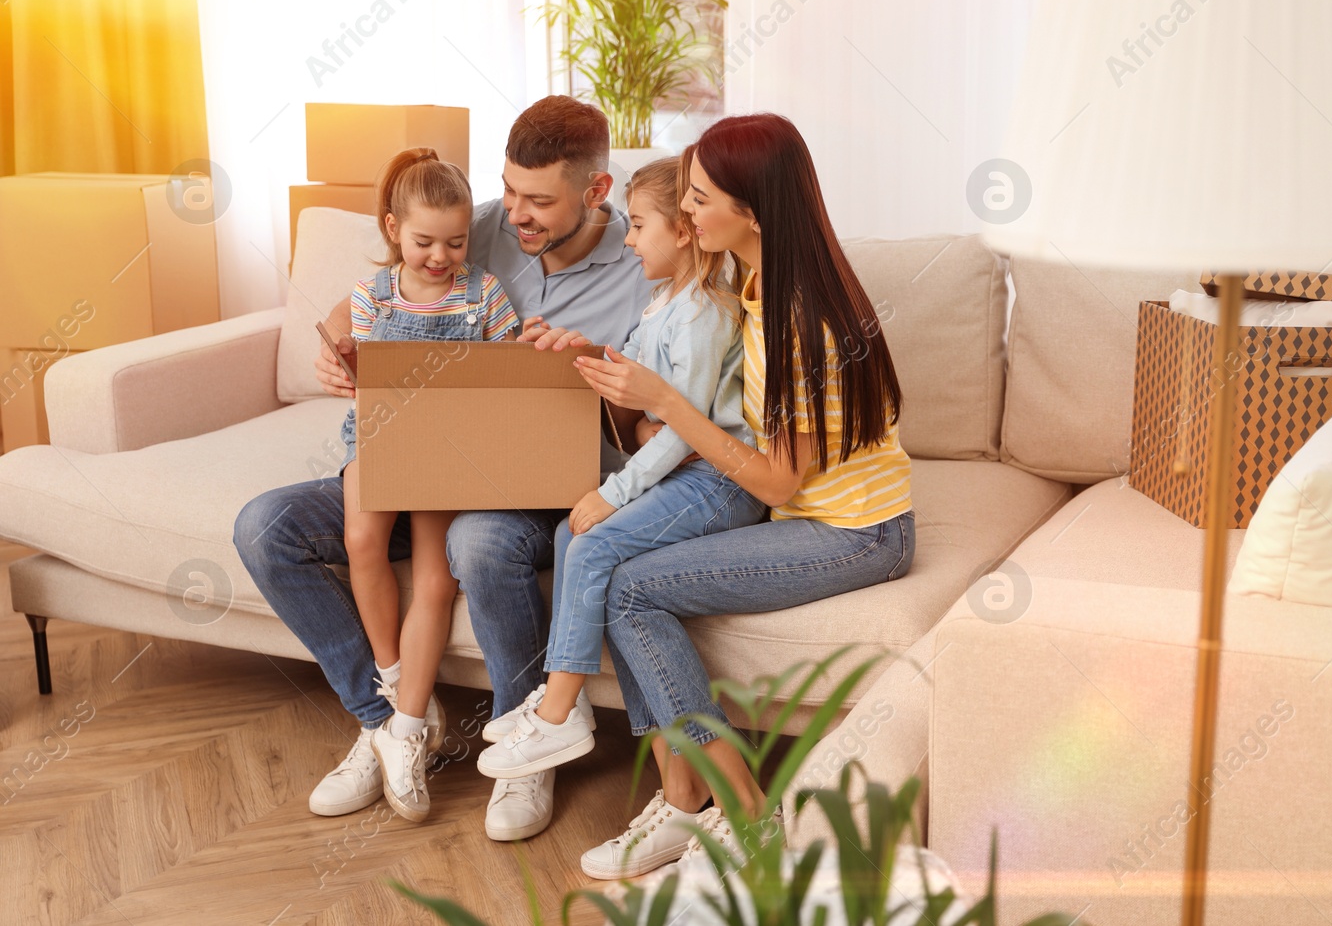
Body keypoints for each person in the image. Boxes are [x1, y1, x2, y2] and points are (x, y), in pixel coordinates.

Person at [233, 96, 652, 841]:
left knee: (477, 543)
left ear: (596, 192)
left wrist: (585, 362)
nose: (515, 214)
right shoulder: (474, 226)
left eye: (538, 200)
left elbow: (650, 420)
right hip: (414, 455)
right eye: (510, 189)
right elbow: (371, 297)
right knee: (265, 527)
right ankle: (390, 724)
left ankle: (527, 753)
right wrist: (335, 350)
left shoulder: (644, 267)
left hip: (536, 478)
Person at [565, 114, 917, 878]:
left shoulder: (802, 318)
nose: (685, 215)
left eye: (697, 200)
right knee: (615, 570)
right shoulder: (760, 280)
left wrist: (666, 399)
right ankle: (686, 801)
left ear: (750, 210)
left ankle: (743, 813)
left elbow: (774, 478)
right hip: (809, 513)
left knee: (627, 591)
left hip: (856, 531)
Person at [473, 152, 767, 829]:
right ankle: (678, 788)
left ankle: (559, 706)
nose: (627, 238)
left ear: (685, 232)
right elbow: (638, 388)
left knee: (591, 538)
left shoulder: (703, 314)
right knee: (569, 537)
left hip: (716, 480)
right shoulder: (665, 302)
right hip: (686, 475)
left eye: (638, 225)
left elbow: (684, 428)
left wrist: (615, 492)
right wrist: (587, 355)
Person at [338, 148, 521, 823]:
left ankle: (407, 723)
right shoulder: (370, 296)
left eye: (455, 241)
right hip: (382, 433)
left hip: (449, 446)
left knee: (437, 571)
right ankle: (393, 680)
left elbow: (511, 378)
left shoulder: (486, 293)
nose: (440, 256)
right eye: (424, 242)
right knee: (361, 534)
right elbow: (364, 384)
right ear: (392, 228)